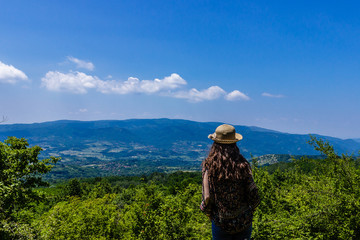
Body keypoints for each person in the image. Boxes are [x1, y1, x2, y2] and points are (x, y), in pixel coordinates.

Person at [200, 124, 260, 240]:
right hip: (244, 221)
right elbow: (253, 192)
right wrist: (250, 211)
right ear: (234, 143)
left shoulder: (209, 166)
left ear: (215, 144)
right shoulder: (243, 164)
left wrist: (207, 212)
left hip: (221, 222)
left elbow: (207, 197)